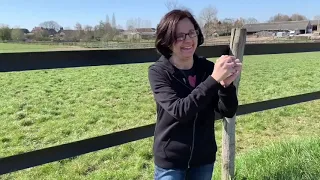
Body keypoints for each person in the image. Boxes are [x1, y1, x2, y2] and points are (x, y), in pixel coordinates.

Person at [148, 9, 242, 180]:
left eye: (191, 32)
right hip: (171, 161)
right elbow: (180, 110)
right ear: (167, 41)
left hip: (203, 159)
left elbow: (227, 111)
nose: (188, 40)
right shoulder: (159, 72)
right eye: (179, 35)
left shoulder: (206, 68)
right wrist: (214, 79)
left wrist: (226, 86)